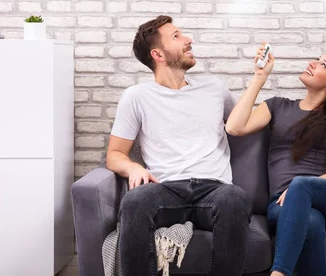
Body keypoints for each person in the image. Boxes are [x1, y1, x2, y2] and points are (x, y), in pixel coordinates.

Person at [106, 15, 251, 276]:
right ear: (158, 54)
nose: (188, 40)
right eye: (176, 36)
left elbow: (241, 124)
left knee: (235, 198)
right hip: (166, 189)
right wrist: (132, 168)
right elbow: (115, 154)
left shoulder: (214, 88)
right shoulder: (136, 97)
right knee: (134, 202)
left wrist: (261, 80)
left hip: (214, 188)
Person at [226, 43, 326, 276]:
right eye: (317, 59)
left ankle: (279, 273)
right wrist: (260, 77)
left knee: (301, 184)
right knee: (312, 222)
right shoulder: (277, 106)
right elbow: (235, 127)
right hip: (282, 206)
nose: (313, 63)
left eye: (323, 64)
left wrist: (304, 187)